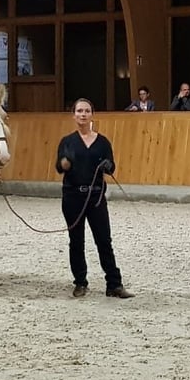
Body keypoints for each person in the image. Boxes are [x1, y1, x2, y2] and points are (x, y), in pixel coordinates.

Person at [55, 98, 134, 299]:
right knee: (76, 241)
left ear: (92, 114)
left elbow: (112, 166)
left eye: (87, 110)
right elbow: (59, 166)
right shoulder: (67, 141)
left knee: (104, 240)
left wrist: (108, 165)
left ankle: (114, 284)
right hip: (73, 196)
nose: (83, 114)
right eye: (79, 111)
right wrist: (63, 164)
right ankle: (80, 283)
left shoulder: (102, 142)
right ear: (74, 115)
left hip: (96, 196)